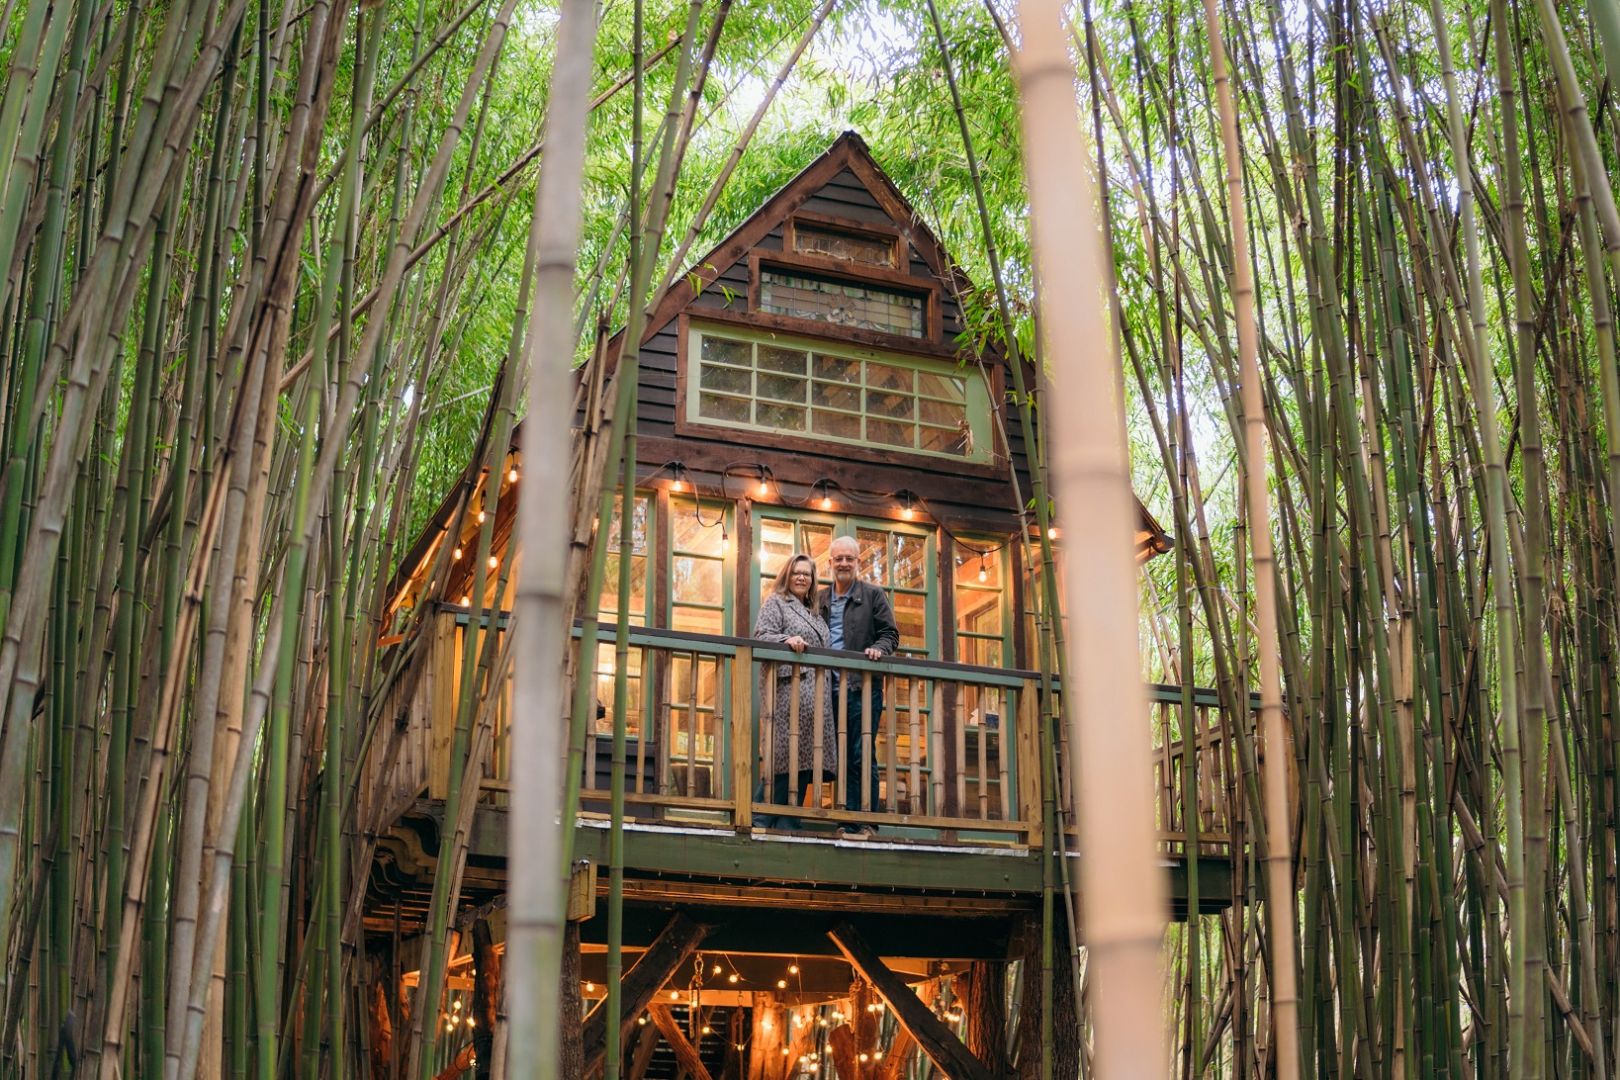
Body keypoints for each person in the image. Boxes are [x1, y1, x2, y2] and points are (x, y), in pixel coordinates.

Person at [816, 535, 898, 837]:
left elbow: (890, 633)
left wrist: (879, 649)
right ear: (830, 563)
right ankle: (847, 818)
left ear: (858, 562)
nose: (844, 563)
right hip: (829, 691)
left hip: (862, 689)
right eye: (838, 558)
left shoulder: (873, 595)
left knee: (861, 752)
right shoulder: (820, 599)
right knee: (839, 755)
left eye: (849, 558)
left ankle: (865, 821)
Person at [751, 553, 836, 830]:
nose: (802, 577)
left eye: (807, 574)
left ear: (813, 580)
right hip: (788, 694)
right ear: (787, 575)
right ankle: (759, 819)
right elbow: (761, 635)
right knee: (782, 760)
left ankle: (788, 821)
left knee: (804, 763)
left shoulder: (815, 611)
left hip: (816, 700)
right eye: (797, 572)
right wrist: (787, 639)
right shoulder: (777, 601)